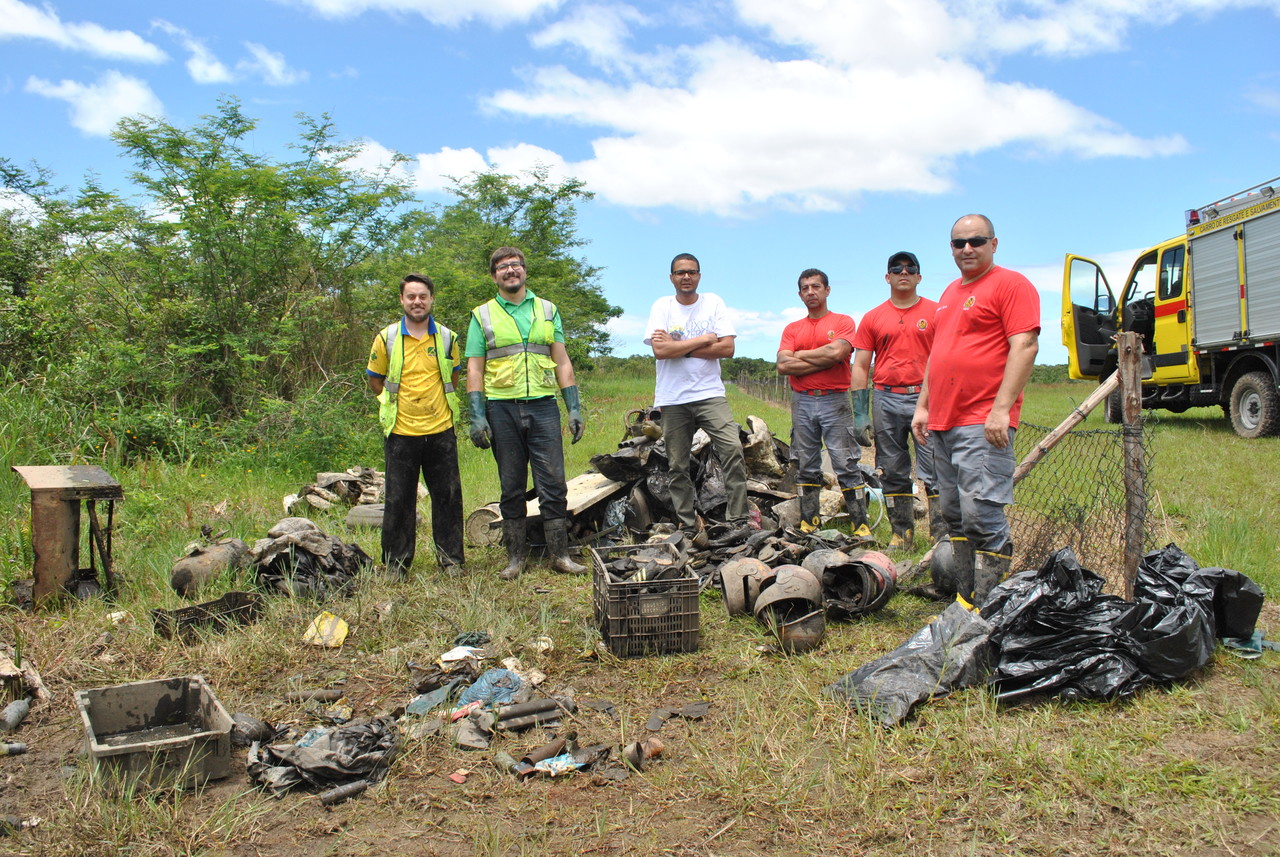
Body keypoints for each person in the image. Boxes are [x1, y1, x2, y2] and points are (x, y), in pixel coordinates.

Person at [911, 215, 1040, 605]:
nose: (967, 248)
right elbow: (938, 355)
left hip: (981, 421)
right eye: (959, 243)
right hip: (943, 422)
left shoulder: (1011, 285)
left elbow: (1025, 346)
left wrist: (1001, 410)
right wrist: (923, 407)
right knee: (954, 515)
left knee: (982, 516)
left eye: (976, 241)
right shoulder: (950, 293)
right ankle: (966, 600)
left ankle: (990, 607)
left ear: (994, 244)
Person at [466, 246, 586, 580]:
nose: (510, 270)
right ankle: (515, 559)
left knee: (553, 484)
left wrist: (574, 407)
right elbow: (475, 368)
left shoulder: (547, 309)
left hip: (544, 407)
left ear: (524, 270)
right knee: (512, 485)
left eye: (515, 264)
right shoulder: (482, 315)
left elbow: (561, 360)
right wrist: (476, 415)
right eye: (503, 267)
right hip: (501, 408)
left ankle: (560, 555)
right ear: (494, 276)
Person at [366, 273, 466, 578]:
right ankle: (396, 564)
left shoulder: (447, 338)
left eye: (423, 296)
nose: (417, 302)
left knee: (448, 497)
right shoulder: (387, 338)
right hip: (401, 432)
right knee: (398, 500)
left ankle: (451, 561)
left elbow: (453, 378)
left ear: (432, 299)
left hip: (441, 429)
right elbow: (375, 380)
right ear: (402, 300)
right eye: (411, 296)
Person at [645, 253, 750, 537]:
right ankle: (688, 523)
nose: (686, 277)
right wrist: (704, 339)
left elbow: (727, 348)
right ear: (671, 278)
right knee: (677, 464)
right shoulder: (662, 306)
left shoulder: (713, 302)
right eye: (680, 272)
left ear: (699, 276)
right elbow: (660, 350)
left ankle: (738, 519)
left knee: (732, 449)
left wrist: (680, 347)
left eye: (691, 272)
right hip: (673, 397)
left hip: (709, 394)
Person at [850, 252, 940, 551]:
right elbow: (861, 365)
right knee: (892, 469)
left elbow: (946, 357)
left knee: (936, 467)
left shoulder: (937, 312)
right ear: (887, 277)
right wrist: (860, 414)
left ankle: (940, 538)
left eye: (910, 268)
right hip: (886, 397)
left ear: (919, 277)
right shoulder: (873, 317)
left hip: (926, 397)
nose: (904, 272)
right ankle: (902, 536)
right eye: (897, 268)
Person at [776, 268, 871, 538]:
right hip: (802, 401)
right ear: (799, 294)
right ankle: (810, 521)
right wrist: (824, 359)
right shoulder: (792, 328)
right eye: (805, 288)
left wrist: (800, 355)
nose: (811, 292)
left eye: (816, 286)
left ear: (827, 290)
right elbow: (783, 365)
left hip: (835, 401)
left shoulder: (842, 322)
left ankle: (860, 524)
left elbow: (838, 351)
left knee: (845, 462)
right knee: (806, 463)